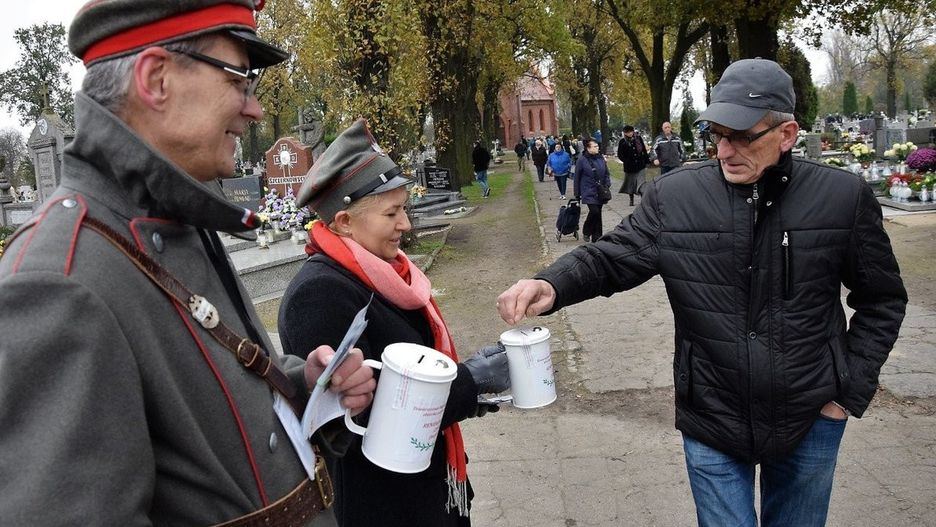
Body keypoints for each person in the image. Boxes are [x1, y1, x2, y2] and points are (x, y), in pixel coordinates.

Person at [0, 1, 377, 525]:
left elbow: (202, 421)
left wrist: (303, 386)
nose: (255, 110)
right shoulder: (58, 280)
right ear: (156, 79)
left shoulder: (177, 213)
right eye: (239, 80)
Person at [496, 58, 907, 527]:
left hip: (811, 414)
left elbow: (882, 299)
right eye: (716, 133)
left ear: (788, 134)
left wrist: (848, 391)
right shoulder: (676, 197)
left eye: (741, 136)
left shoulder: (842, 197)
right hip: (712, 414)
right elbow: (611, 257)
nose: (724, 150)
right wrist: (551, 281)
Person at [279, 118, 511, 526]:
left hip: (428, 486)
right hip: (382, 505)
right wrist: (469, 382)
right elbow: (361, 415)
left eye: (403, 208)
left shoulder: (386, 274)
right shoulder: (318, 295)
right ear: (344, 222)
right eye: (392, 213)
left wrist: (469, 395)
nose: (405, 224)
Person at [573, 138, 612, 242]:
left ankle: (597, 237)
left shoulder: (601, 158)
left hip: (600, 190)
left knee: (598, 213)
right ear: (588, 148)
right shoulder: (582, 160)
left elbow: (606, 173)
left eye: (597, 146)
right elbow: (577, 176)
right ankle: (587, 230)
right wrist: (577, 193)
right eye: (594, 146)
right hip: (588, 190)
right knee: (594, 211)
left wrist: (607, 184)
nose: (597, 148)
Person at [616, 125, 650, 206]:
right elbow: (620, 154)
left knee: (641, 183)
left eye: (631, 132)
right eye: (628, 132)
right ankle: (631, 199)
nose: (630, 134)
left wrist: (647, 160)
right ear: (625, 133)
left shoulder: (638, 138)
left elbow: (644, 150)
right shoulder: (622, 141)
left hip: (640, 164)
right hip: (629, 167)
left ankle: (643, 199)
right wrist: (626, 161)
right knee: (630, 184)